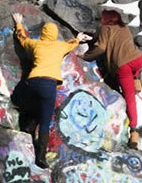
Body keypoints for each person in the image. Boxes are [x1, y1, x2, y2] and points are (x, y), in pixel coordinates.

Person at [12, 15, 86, 168]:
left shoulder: (35, 44)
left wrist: (19, 23)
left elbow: (22, 38)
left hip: (32, 81)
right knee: (45, 120)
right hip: (49, 84)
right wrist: (78, 38)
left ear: (43, 33)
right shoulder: (60, 46)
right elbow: (71, 44)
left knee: (30, 105)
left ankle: (28, 127)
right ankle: (41, 157)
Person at [79, 4, 142, 149]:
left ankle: (134, 131)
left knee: (129, 97)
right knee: (132, 72)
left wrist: (86, 56)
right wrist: (93, 39)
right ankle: (136, 78)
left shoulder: (105, 28)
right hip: (138, 59)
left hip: (123, 65)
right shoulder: (124, 27)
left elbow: (102, 47)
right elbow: (114, 42)